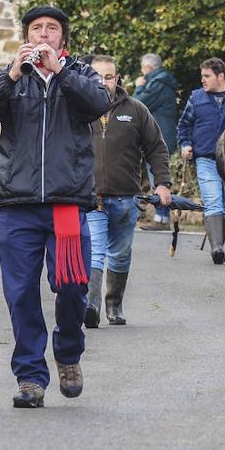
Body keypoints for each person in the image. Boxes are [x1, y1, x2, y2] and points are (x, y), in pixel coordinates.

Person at [0, 5, 110, 409]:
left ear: (63, 39)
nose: (44, 35)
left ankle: (68, 353)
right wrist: (12, 74)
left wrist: (61, 73)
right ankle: (30, 376)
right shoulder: (10, 76)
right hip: (19, 202)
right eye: (37, 29)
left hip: (67, 203)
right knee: (20, 293)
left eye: (52, 29)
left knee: (72, 287)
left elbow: (98, 103)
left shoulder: (80, 74)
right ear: (27, 37)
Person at [85, 55, 172, 328]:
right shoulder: (78, 110)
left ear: (117, 79)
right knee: (96, 251)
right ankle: (91, 306)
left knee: (120, 253)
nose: (103, 82)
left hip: (126, 197)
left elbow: (156, 147)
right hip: (91, 197)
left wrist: (162, 183)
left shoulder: (135, 110)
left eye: (108, 77)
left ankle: (114, 304)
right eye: (97, 76)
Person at [177, 57, 225, 265]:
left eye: (207, 76)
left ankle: (220, 241)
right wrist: (185, 144)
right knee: (212, 201)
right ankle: (217, 248)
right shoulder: (196, 98)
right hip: (206, 157)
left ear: (221, 76)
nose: (203, 80)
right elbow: (184, 125)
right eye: (202, 76)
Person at [132, 53, 179, 225]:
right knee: (158, 176)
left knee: (158, 177)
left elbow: (137, 104)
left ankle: (162, 218)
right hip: (161, 135)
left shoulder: (157, 84)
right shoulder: (162, 82)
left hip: (159, 137)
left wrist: (138, 87)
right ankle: (161, 216)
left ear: (148, 68)